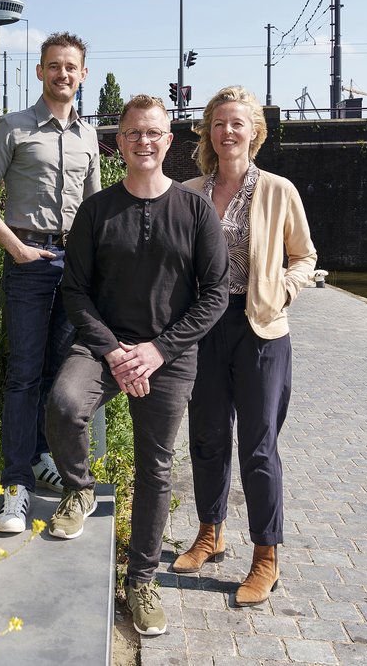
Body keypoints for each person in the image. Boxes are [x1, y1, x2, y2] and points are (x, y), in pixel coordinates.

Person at [45, 95, 229, 636]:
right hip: (103, 349)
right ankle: (78, 488)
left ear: (169, 142)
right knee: (63, 404)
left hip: (167, 355)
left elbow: (214, 294)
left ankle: (140, 582)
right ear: (118, 142)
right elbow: (75, 292)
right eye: (133, 134)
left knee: (155, 466)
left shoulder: (196, 212)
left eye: (154, 133)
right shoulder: (97, 210)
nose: (144, 142)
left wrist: (158, 351)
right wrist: (113, 351)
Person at [172, 85, 317, 607]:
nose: (228, 131)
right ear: (208, 132)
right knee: (208, 436)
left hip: (260, 330)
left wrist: (283, 289)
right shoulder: (189, 192)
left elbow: (304, 255)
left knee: (258, 447)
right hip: (204, 327)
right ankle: (210, 533)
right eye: (219, 123)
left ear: (254, 131)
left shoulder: (278, 189)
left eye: (238, 123)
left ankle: (265, 556)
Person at [0, 32, 100, 534]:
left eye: (71, 67)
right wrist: (15, 248)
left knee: (57, 373)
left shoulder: (89, 137)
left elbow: (94, 211)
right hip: (28, 260)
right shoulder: (14, 127)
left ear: (82, 74)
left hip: (74, 266)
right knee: (23, 376)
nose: (63, 74)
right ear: (41, 71)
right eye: (54, 66)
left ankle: (45, 457)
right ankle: (16, 487)